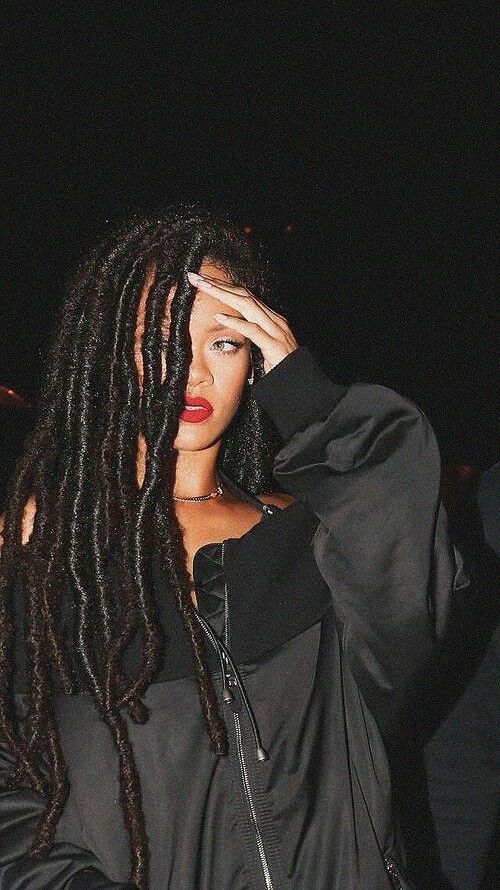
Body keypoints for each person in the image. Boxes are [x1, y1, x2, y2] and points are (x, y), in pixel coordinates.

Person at [0, 208, 468, 889]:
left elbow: (410, 607)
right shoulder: (49, 555)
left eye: (224, 341)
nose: (189, 371)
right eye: (158, 339)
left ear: (257, 362)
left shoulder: (309, 540)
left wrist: (308, 397)